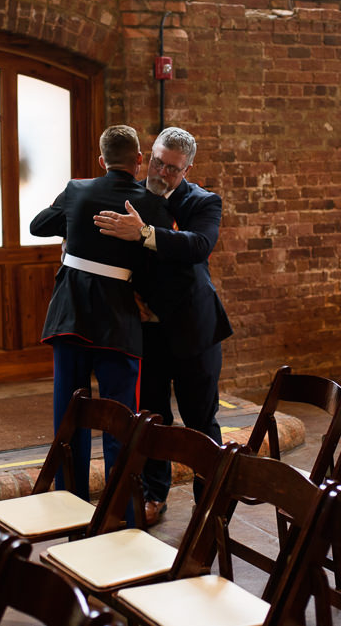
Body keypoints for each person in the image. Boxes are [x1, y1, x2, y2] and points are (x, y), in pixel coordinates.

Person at [93, 126, 232, 526]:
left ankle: (209, 504)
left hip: (195, 330)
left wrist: (145, 234)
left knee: (200, 421)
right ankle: (154, 496)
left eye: (172, 168)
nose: (160, 171)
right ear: (148, 155)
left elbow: (197, 246)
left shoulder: (203, 202)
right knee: (152, 419)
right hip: (148, 331)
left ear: (187, 169)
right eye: (156, 160)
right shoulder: (129, 195)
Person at [30, 125, 173, 501]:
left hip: (70, 315)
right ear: (139, 159)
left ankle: (68, 504)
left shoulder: (77, 189)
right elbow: (155, 270)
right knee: (120, 421)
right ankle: (121, 509)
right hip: (117, 322)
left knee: (70, 415)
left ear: (101, 160)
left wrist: (73, 224)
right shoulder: (152, 205)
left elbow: (37, 225)